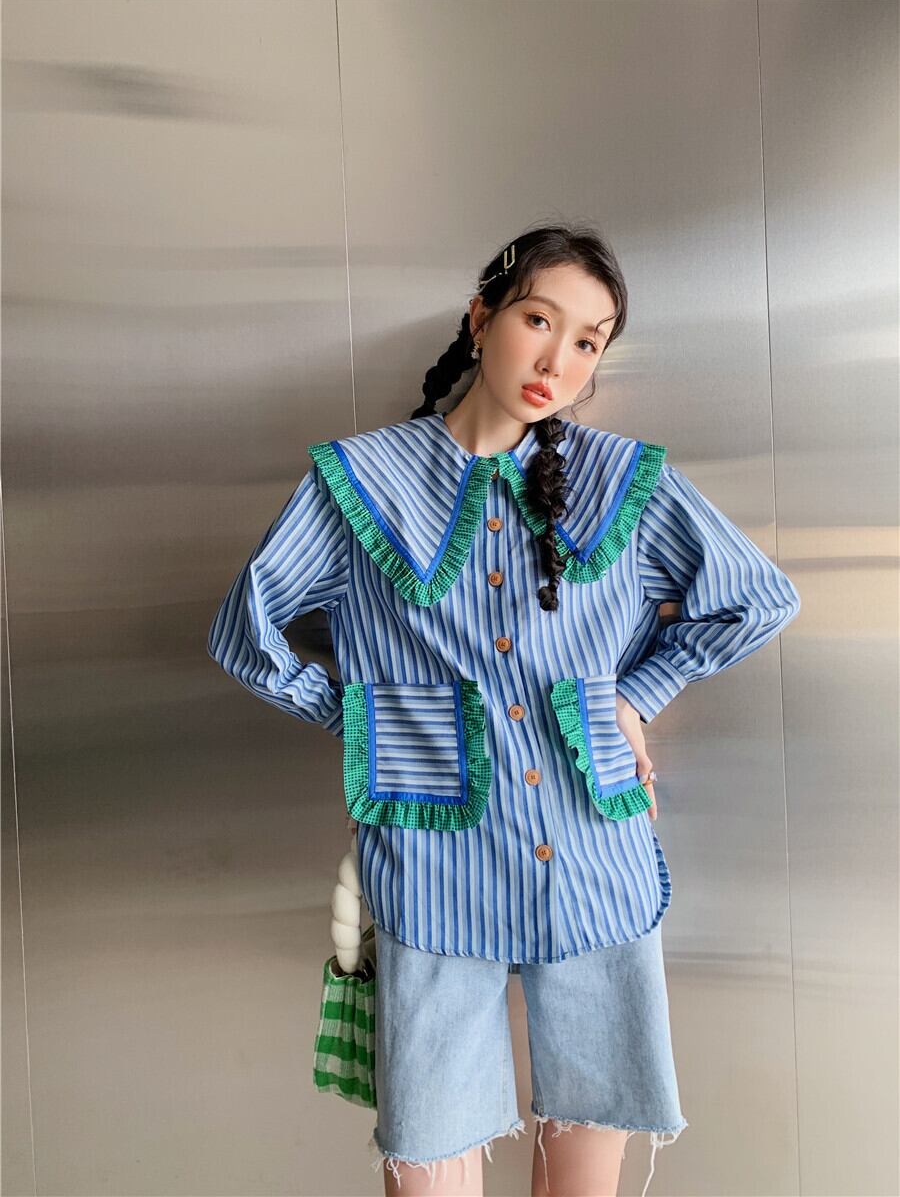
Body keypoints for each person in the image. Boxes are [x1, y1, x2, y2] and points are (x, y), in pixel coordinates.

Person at [207, 222, 801, 1197]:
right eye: (539, 320)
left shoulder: (624, 483)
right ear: (482, 319)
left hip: (594, 856)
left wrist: (637, 696)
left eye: (589, 341)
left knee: (588, 1163)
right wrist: (366, 726)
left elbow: (757, 599)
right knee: (428, 1151)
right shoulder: (362, 483)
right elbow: (247, 633)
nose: (557, 360)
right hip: (431, 864)